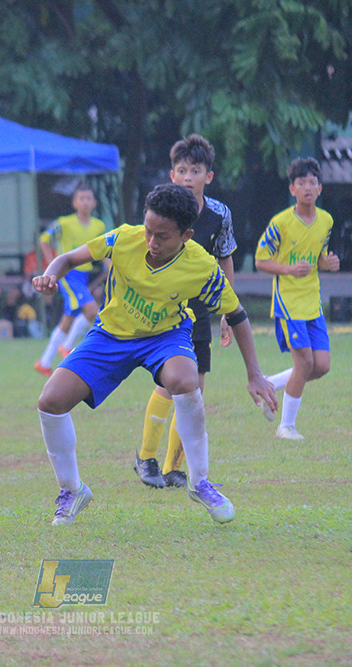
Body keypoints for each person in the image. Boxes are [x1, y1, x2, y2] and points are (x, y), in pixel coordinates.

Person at [33, 183, 276, 526]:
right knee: (50, 401)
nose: (151, 241)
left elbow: (237, 314)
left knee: (185, 379)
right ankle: (72, 490)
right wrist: (50, 275)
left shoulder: (201, 266)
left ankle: (201, 482)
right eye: (148, 231)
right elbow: (68, 258)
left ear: (186, 235)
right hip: (111, 334)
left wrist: (254, 374)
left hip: (165, 335)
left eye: (162, 236)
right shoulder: (123, 238)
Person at [134, 134, 239, 489]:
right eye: (181, 170)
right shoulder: (160, 212)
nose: (188, 176)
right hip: (167, 312)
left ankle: (172, 467)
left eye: (195, 170)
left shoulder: (219, 214)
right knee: (170, 383)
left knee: (195, 388)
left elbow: (225, 257)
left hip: (201, 312)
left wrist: (227, 309)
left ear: (208, 176)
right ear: (172, 174)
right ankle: (146, 458)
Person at [254, 157, 340, 440]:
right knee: (304, 363)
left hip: (312, 303)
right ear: (292, 189)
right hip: (288, 303)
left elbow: (319, 257)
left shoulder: (326, 220)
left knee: (321, 366)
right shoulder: (281, 223)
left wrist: (328, 264)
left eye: (312, 182)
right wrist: (289, 269)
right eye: (301, 183)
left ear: (320, 188)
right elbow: (260, 260)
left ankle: (269, 384)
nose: (307, 187)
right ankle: (286, 427)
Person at [34, 183, 107, 377]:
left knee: (68, 320)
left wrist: (110, 266)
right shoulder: (64, 223)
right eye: (81, 198)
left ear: (94, 202)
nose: (85, 202)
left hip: (84, 275)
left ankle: (44, 362)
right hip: (68, 274)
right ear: (74, 203)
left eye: (88, 198)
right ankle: (66, 347)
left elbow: (105, 249)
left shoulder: (98, 225)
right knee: (92, 311)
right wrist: (53, 265)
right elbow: (43, 239)